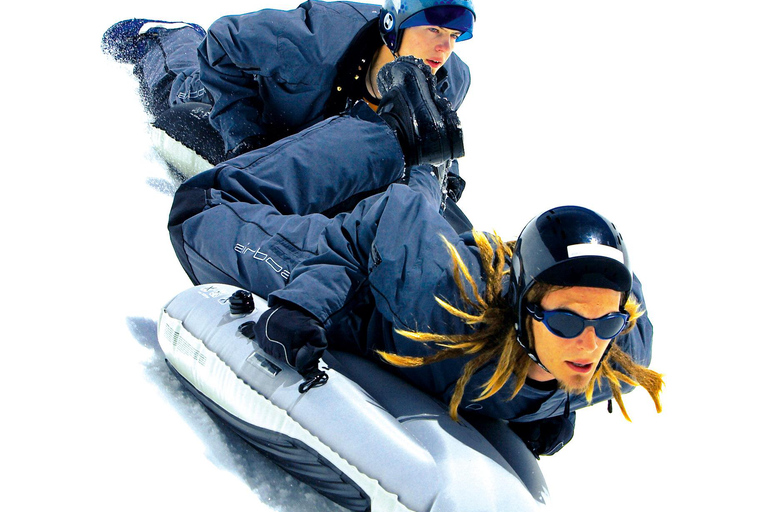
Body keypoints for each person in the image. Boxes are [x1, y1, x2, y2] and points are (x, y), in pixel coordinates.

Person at [168, 59, 663, 459]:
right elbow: (388, 220)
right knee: (201, 210)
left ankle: (431, 170)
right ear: (524, 312)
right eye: (565, 320)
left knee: (426, 217)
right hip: (353, 273)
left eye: (605, 322)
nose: (588, 342)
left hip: (425, 252)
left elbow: (614, 301)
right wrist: (303, 306)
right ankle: (397, 136)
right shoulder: (444, 304)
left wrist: (554, 406)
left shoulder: (621, 354)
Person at [102, 0, 475, 228]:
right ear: (395, 26)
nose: (444, 48)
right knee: (178, 89)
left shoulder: (449, 78)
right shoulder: (314, 40)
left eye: (455, 36)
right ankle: (168, 37)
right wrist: (246, 138)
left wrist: (448, 182)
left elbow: (432, 132)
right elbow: (222, 43)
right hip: (256, 100)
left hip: (317, 152)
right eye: (433, 29)